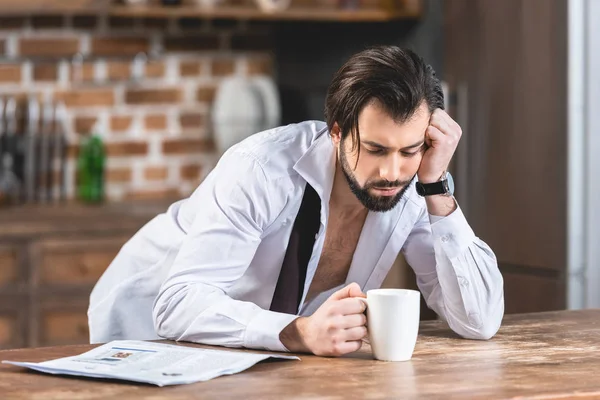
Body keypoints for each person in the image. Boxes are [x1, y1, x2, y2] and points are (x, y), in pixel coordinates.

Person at [88, 45, 504, 357]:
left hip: (254, 354)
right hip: (143, 333)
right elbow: (178, 305)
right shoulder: (261, 170)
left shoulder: (412, 186)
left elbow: (478, 320)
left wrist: (434, 187)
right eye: (376, 149)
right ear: (337, 131)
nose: (393, 171)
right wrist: (299, 332)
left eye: (410, 150)